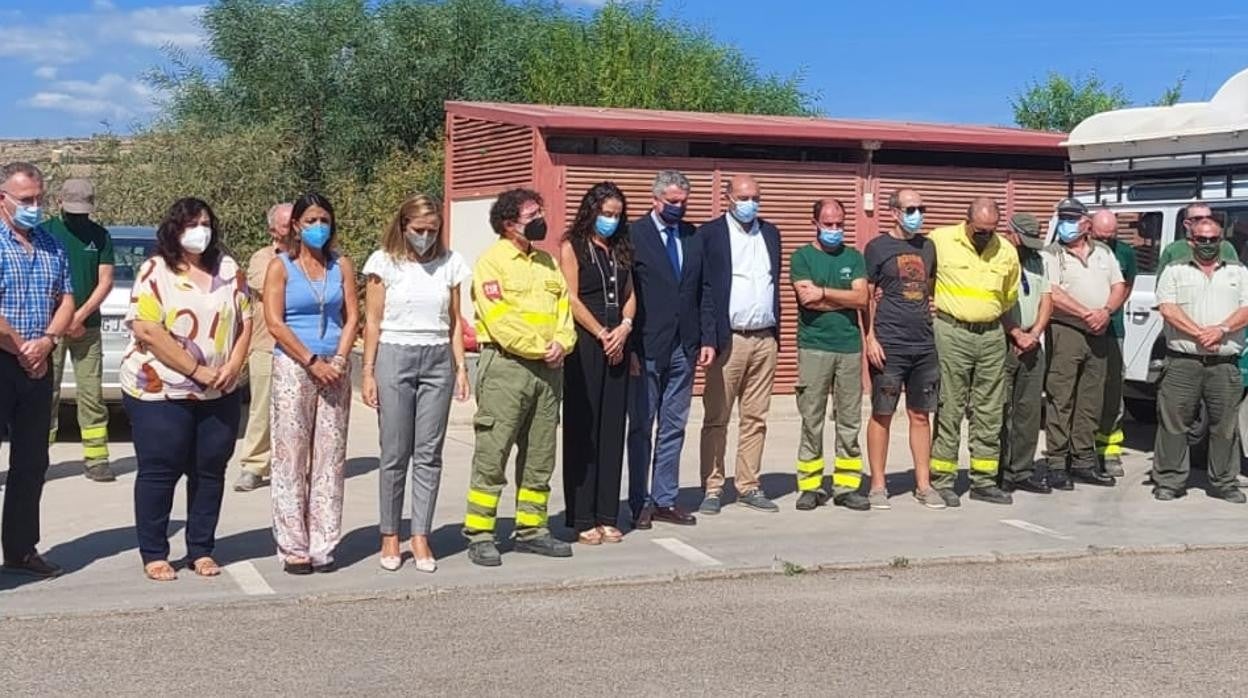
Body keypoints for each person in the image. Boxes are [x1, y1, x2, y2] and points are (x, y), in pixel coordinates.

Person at [121, 197, 250, 582]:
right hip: (160, 389)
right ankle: (155, 552)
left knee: (210, 469)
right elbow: (147, 329)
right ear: (175, 230)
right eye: (192, 224)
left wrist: (232, 366)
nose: (201, 231)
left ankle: (201, 548)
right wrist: (196, 370)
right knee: (160, 470)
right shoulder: (155, 270)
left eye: (206, 223)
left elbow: (246, 321)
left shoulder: (228, 268)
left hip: (220, 388)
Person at [463, 188, 576, 566]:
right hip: (507, 368)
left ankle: (532, 529)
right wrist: (538, 346)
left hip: (549, 370)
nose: (542, 218)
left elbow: (564, 309)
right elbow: (498, 319)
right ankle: (480, 533)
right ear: (510, 224)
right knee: (493, 452)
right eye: (533, 215)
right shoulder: (491, 262)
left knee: (540, 454)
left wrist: (563, 342)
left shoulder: (547, 262)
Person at [362, 194, 470, 572]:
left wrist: (460, 368)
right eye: (419, 230)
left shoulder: (451, 263)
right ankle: (390, 534)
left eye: (432, 230)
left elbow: (456, 320)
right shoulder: (383, 262)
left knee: (429, 453)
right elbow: (372, 321)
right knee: (394, 453)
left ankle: (420, 534)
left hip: (437, 357)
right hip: (394, 355)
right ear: (403, 227)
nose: (425, 236)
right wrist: (368, 371)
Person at [264, 193, 359, 575]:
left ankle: (324, 541)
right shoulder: (281, 267)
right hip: (294, 365)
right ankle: (293, 544)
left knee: (329, 458)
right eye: (310, 221)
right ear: (296, 227)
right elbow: (275, 321)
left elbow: (352, 316)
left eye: (324, 220)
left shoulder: (343, 265)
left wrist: (337, 359)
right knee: (291, 457)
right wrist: (311, 360)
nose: (318, 227)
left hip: (335, 367)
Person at [626, 170, 716, 529]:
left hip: (685, 345)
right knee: (642, 426)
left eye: (683, 202)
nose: (678, 208)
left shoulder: (693, 236)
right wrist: (630, 345)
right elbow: (629, 292)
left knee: (674, 426)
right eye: (672, 202)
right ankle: (639, 501)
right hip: (647, 344)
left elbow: (704, 291)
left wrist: (707, 338)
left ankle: (665, 498)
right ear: (655, 199)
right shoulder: (634, 235)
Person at [0, 162, 74, 578]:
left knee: (32, 460)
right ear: (3, 199)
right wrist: (18, 347)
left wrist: (46, 342)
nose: (34, 207)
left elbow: (66, 297)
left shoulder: (50, 243)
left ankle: (21, 548)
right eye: (26, 200)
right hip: (4, 357)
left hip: (38, 360)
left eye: (39, 199)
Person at [698, 174, 782, 514]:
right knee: (717, 416)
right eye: (744, 197)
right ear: (728, 198)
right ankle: (713, 487)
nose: (750, 204)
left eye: (756, 197)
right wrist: (708, 338)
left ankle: (748, 484)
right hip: (727, 339)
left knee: (756, 417)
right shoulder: (711, 234)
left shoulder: (771, 233)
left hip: (764, 338)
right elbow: (704, 291)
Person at [929, 197, 1020, 506]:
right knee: (949, 406)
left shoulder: (1006, 251)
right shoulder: (940, 240)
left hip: (992, 334)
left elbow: (1008, 297)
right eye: (980, 230)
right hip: (952, 331)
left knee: (991, 410)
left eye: (991, 229)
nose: (985, 235)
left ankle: (984, 480)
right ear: (966, 221)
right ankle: (942, 479)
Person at [1151, 212, 1248, 503]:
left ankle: (1224, 481)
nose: (1208, 244)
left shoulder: (1239, 272)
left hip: (1223, 365)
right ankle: (1169, 481)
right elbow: (1167, 308)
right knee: (1173, 424)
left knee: (1225, 427)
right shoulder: (1175, 270)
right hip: (1183, 361)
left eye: (1213, 239)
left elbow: (1246, 308)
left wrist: (1221, 329)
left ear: (1222, 240)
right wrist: (1200, 334)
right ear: (1191, 241)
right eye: (1201, 239)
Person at [559, 182, 635, 544]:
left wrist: (624, 327)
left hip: (618, 344)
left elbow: (630, 294)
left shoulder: (620, 248)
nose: (612, 220)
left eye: (617, 215)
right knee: (583, 430)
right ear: (592, 211)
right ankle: (582, 515)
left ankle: (608, 513)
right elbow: (570, 298)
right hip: (587, 345)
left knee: (611, 430)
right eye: (606, 214)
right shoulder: (572, 247)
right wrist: (601, 333)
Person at [862, 189, 945, 511]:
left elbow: (931, 287)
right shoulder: (877, 248)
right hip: (889, 344)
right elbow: (866, 296)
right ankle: (878, 485)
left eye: (922, 208)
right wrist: (870, 337)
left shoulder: (928, 247)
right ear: (893, 212)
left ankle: (924, 485)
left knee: (920, 414)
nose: (918, 214)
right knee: (882, 413)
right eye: (911, 208)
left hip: (923, 344)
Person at [790, 198, 869, 511]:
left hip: (849, 348)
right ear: (816, 223)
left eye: (839, 224)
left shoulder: (854, 257)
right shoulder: (803, 257)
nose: (835, 230)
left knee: (849, 420)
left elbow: (862, 298)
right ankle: (810, 486)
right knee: (812, 418)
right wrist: (844, 298)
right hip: (814, 347)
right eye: (828, 224)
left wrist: (824, 292)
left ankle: (847, 486)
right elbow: (806, 300)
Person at [1042, 198, 1125, 490]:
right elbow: (1052, 292)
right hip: (1067, 330)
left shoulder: (1103, 252)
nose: (1066, 224)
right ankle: (1056, 463)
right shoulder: (1052, 253)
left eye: (1071, 218)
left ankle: (1083, 460)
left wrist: (1105, 312)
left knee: (1091, 398)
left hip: (1100, 330)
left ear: (1086, 223)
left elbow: (1118, 286)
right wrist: (1085, 313)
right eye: (1062, 218)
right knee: (1061, 396)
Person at [45, 178, 115, 482]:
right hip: (50, 326)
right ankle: (38, 458)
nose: (77, 216)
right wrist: (63, 318)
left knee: (91, 394)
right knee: (46, 393)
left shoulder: (99, 235)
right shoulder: (45, 231)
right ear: (59, 201)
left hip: (88, 327)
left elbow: (105, 280)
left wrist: (80, 315)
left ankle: (96, 458)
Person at [234, 202, 292, 492]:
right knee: (262, 409)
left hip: (307, 348)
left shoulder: (316, 258)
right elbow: (272, 287)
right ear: (273, 230)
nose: (294, 228)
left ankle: (295, 465)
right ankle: (254, 465)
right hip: (268, 345)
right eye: (286, 224)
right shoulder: (262, 258)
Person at [998, 213, 1053, 494]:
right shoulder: (997, 257)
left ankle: (1022, 470)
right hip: (1004, 339)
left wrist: (1034, 333)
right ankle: (998, 470)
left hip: (1032, 340)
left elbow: (1046, 299)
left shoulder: (1037, 260)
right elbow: (997, 300)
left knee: (1029, 410)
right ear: (1012, 234)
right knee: (1001, 409)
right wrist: (1016, 333)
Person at [1088, 208, 1136, 478]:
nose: (1107, 241)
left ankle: (1108, 449)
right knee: (1083, 391)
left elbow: (1127, 285)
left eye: (1111, 236)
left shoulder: (1125, 253)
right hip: (1082, 326)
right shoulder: (1079, 250)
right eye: (1101, 236)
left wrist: (1108, 311)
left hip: (1112, 328)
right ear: (1090, 230)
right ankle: (1080, 450)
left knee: (1112, 389)